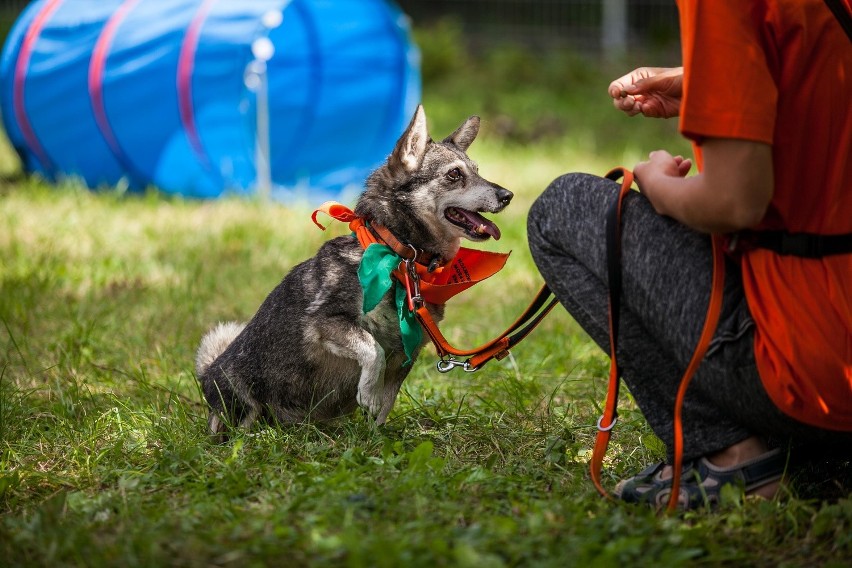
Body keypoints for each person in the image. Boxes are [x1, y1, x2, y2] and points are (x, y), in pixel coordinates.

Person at [527, 0, 852, 508]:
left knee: (563, 210)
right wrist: (709, 81)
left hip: (816, 376)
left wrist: (659, 187)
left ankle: (729, 454)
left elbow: (734, 200)